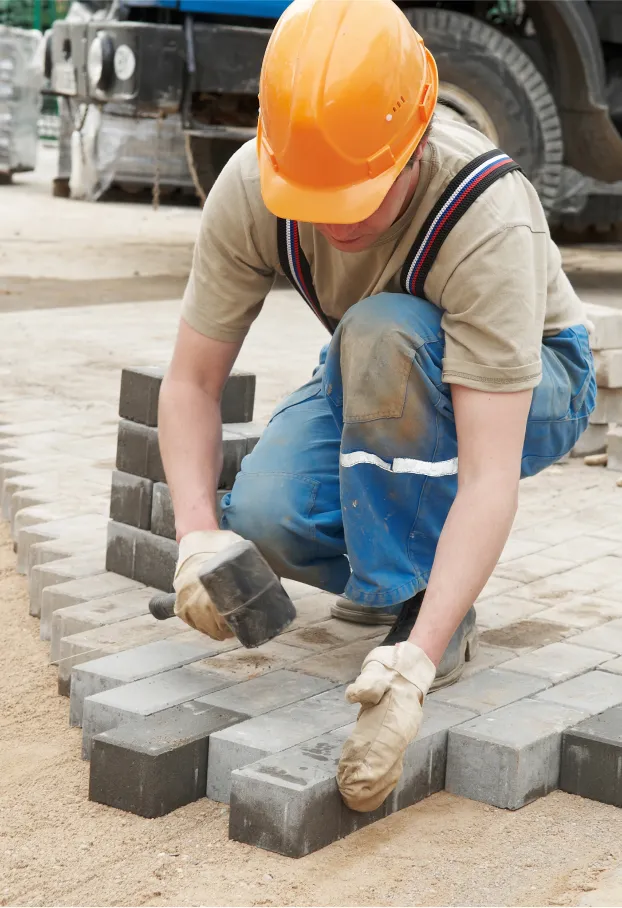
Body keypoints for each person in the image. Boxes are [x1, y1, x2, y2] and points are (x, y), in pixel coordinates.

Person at [159, 0, 596, 813]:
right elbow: (190, 384)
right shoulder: (254, 185)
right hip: (375, 366)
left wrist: (419, 664)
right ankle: (402, 583)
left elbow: (489, 474)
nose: (337, 219)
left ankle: (429, 612)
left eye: (361, 190)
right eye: (312, 195)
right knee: (263, 514)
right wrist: (194, 536)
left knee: (383, 330)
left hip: (535, 382)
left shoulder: (485, 213)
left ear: (416, 140)